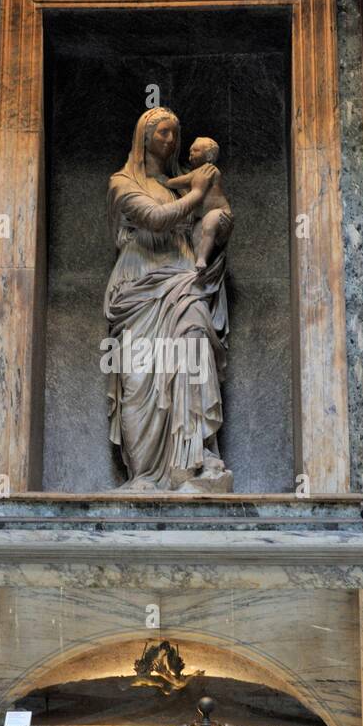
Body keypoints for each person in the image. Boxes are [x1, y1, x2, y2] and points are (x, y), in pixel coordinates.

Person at [104, 106, 233, 492]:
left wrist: (219, 224)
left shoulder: (179, 185)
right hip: (139, 285)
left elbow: (204, 231)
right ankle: (144, 473)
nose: (170, 140)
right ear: (143, 137)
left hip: (183, 280)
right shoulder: (122, 183)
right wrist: (197, 193)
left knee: (195, 349)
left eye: (174, 134)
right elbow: (156, 219)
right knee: (140, 375)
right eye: (162, 132)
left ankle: (193, 459)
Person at [165, 135, 234, 269]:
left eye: (196, 150)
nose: (191, 153)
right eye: (190, 150)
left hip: (218, 211)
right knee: (198, 239)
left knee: (209, 227)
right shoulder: (196, 172)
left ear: (209, 156)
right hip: (202, 217)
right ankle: (199, 261)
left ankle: (202, 259)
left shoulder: (207, 170)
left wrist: (166, 182)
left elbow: (183, 181)